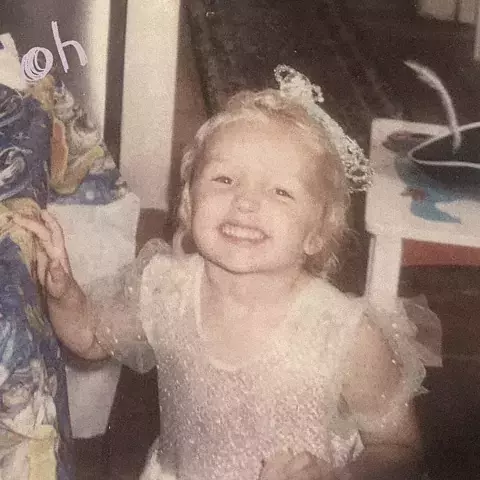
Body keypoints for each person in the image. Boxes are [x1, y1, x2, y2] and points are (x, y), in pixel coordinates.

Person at [14, 66, 431, 480]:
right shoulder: (167, 290)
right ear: (189, 203)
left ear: (317, 233)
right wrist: (63, 292)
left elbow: (399, 447)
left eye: (281, 191)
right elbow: (88, 337)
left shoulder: (344, 334)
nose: (246, 202)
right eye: (225, 179)